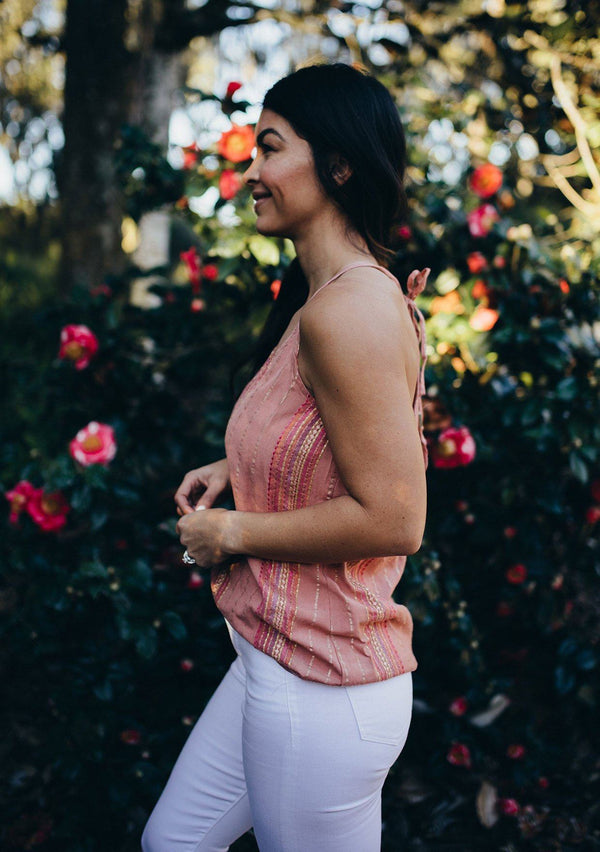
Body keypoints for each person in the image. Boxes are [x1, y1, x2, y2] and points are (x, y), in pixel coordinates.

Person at [141, 62, 430, 852]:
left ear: (337, 164)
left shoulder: (351, 311)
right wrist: (241, 464)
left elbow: (396, 517)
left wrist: (230, 534)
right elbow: (330, 433)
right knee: (174, 843)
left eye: (270, 148)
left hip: (325, 689)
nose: (254, 173)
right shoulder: (323, 296)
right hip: (276, 658)